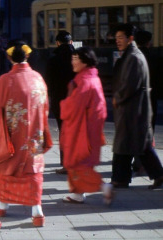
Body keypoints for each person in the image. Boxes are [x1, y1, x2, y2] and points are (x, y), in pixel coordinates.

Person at [0, 41, 52, 227]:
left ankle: (2, 204)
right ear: (27, 56)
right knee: (32, 170)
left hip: (12, 134)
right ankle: (37, 210)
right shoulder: (38, 78)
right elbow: (45, 105)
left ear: (9, 58)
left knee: (9, 167)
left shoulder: (6, 80)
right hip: (34, 135)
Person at [111, 24, 163, 189]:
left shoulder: (133, 57)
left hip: (133, 110)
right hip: (133, 110)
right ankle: (156, 175)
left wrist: (117, 98)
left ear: (130, 39)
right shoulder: (131, 55)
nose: (117, 41)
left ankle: (121, 179)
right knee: (137, 145)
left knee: (133, 145)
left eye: (121, 38)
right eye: (116, 38)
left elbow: (129, 85)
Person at [59, 47, 113, 204]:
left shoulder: (84, 81)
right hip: (89, 127)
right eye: (73, 58)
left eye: (76, 59)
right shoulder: (92, 78)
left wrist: (63, 104)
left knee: (77, 162)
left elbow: (74, 106)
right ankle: (77, 193)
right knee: (78, 161)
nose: (73, 62)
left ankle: (103, 187)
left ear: (85, 61)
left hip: (81, 129)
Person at [44, 31, 75, 174]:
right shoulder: (78, 57)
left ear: (57, 42)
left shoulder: (53, 58)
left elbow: (48, 82)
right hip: (76, 101)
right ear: (71, 42)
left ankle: (66, 163)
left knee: (64, 131)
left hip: (59, 101)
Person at [135, 30, 160, 132]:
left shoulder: (132, 57)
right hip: (151, 95)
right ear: (149, 42)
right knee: (149, 125)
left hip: (135, 97)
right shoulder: (155, 58)